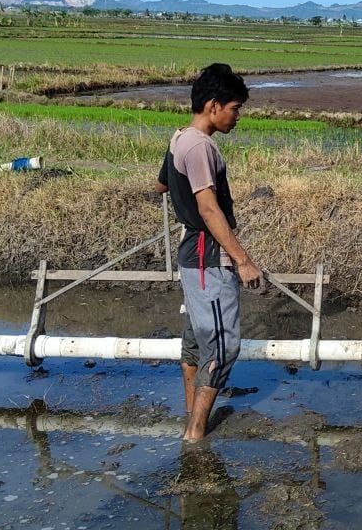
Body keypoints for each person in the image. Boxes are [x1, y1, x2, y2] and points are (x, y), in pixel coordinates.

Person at [154, 63, 263, 441]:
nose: (238, 116)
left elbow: (161, 184)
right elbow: (209, 209)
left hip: (192, 252)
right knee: (222, 345)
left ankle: (190, 419)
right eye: (235, 108)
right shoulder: (200, 146)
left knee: (198, 338)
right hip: (208, 256)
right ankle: (196, 433)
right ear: (213, 106)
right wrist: (243, 261)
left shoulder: (179, 138)